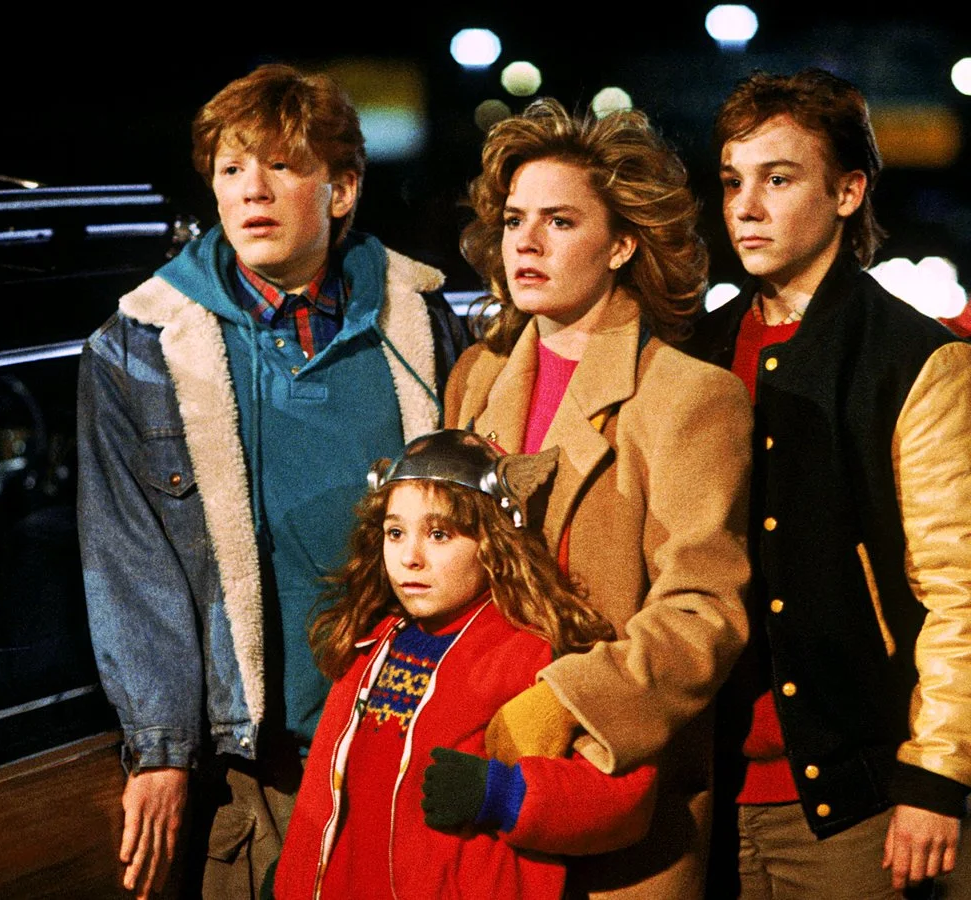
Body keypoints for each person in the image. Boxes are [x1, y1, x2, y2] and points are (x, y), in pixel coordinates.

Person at [77, 63, 471, 899]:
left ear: (342, 189)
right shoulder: (139, 347)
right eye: (231, 168)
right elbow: (130, 563)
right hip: (259, 773)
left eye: (282, 166)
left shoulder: (419, 321)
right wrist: (161, 749)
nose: (251, 189)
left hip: (408, 745)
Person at [442, 97, 754, 898]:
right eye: (515, 221)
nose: (527, 243)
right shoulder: (476, 377)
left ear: (621, 244)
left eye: (560, 222)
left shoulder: (688, 395)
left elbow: (704, 611)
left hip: (609, 796)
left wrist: (567, 706)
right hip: (478, 783)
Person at [682, 67, 970, 899]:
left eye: (778, 179)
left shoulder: (914, 358)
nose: (746, 207)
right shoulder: (697, 352)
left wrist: (936, 775)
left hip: (860, 799)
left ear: (848, 192)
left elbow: (957, 589)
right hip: (706, 790)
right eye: (732, 181)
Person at [272, 429, 658, 899]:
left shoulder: (533, 655)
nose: (410, 557)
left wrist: (503, 795)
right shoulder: (370, 647)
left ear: (491, 542)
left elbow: (626, 794)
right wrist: (294, 879)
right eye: (396, 533)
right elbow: (324, 795)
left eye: (439, 534)